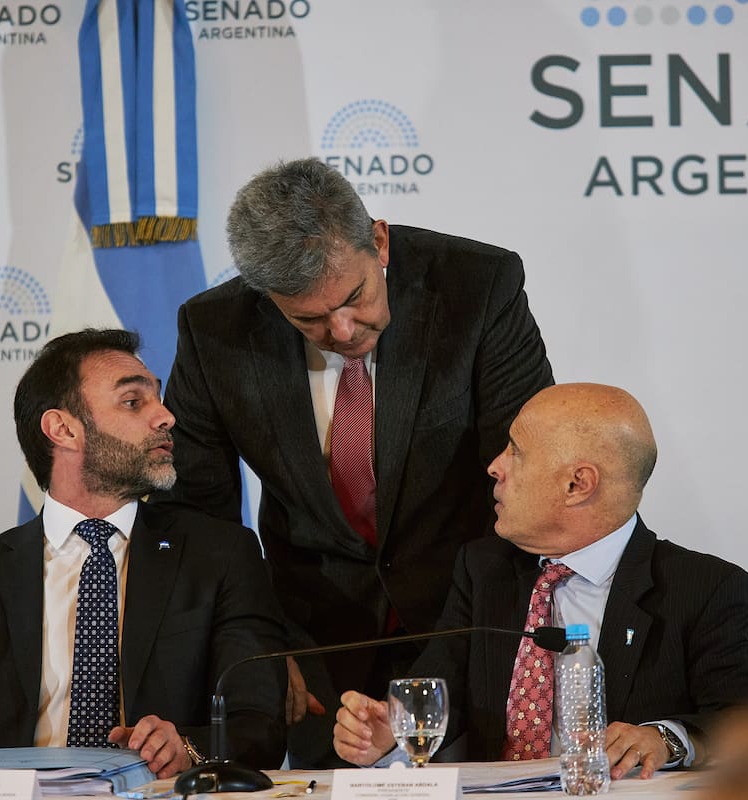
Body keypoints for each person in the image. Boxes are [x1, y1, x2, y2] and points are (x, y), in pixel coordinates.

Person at [154, 157, 553, 765]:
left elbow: (527, 469)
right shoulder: (214, 330)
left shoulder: (478, 285)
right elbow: (198, 517)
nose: (342, 331)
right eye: (308, 318)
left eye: (354, 298)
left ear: (379, 241)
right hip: (316, 647)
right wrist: (256, 644)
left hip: (468, 624)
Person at [0, 329, 286, 783]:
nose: (166, 416)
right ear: (63, 429)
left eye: (159, 398)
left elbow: (259, 724)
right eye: (133, 402)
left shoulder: (221, 556)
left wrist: (188, 747)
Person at [333, 383, 748, 778]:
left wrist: (665, 739)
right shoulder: (484, 569)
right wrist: (390, 735)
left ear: (577, 485)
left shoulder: (703, 588)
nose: (495, 466)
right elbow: (438, 692)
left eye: (515, 451)